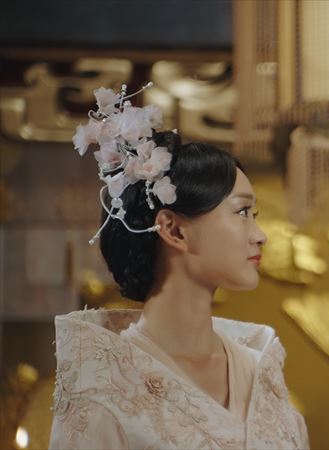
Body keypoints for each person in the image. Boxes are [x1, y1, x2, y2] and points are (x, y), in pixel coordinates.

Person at [49, 84, 309, 449]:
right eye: (242, 212)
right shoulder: (105, 389)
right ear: (174, 229)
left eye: (255, 214)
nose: (260, 235)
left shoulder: (259, 368)